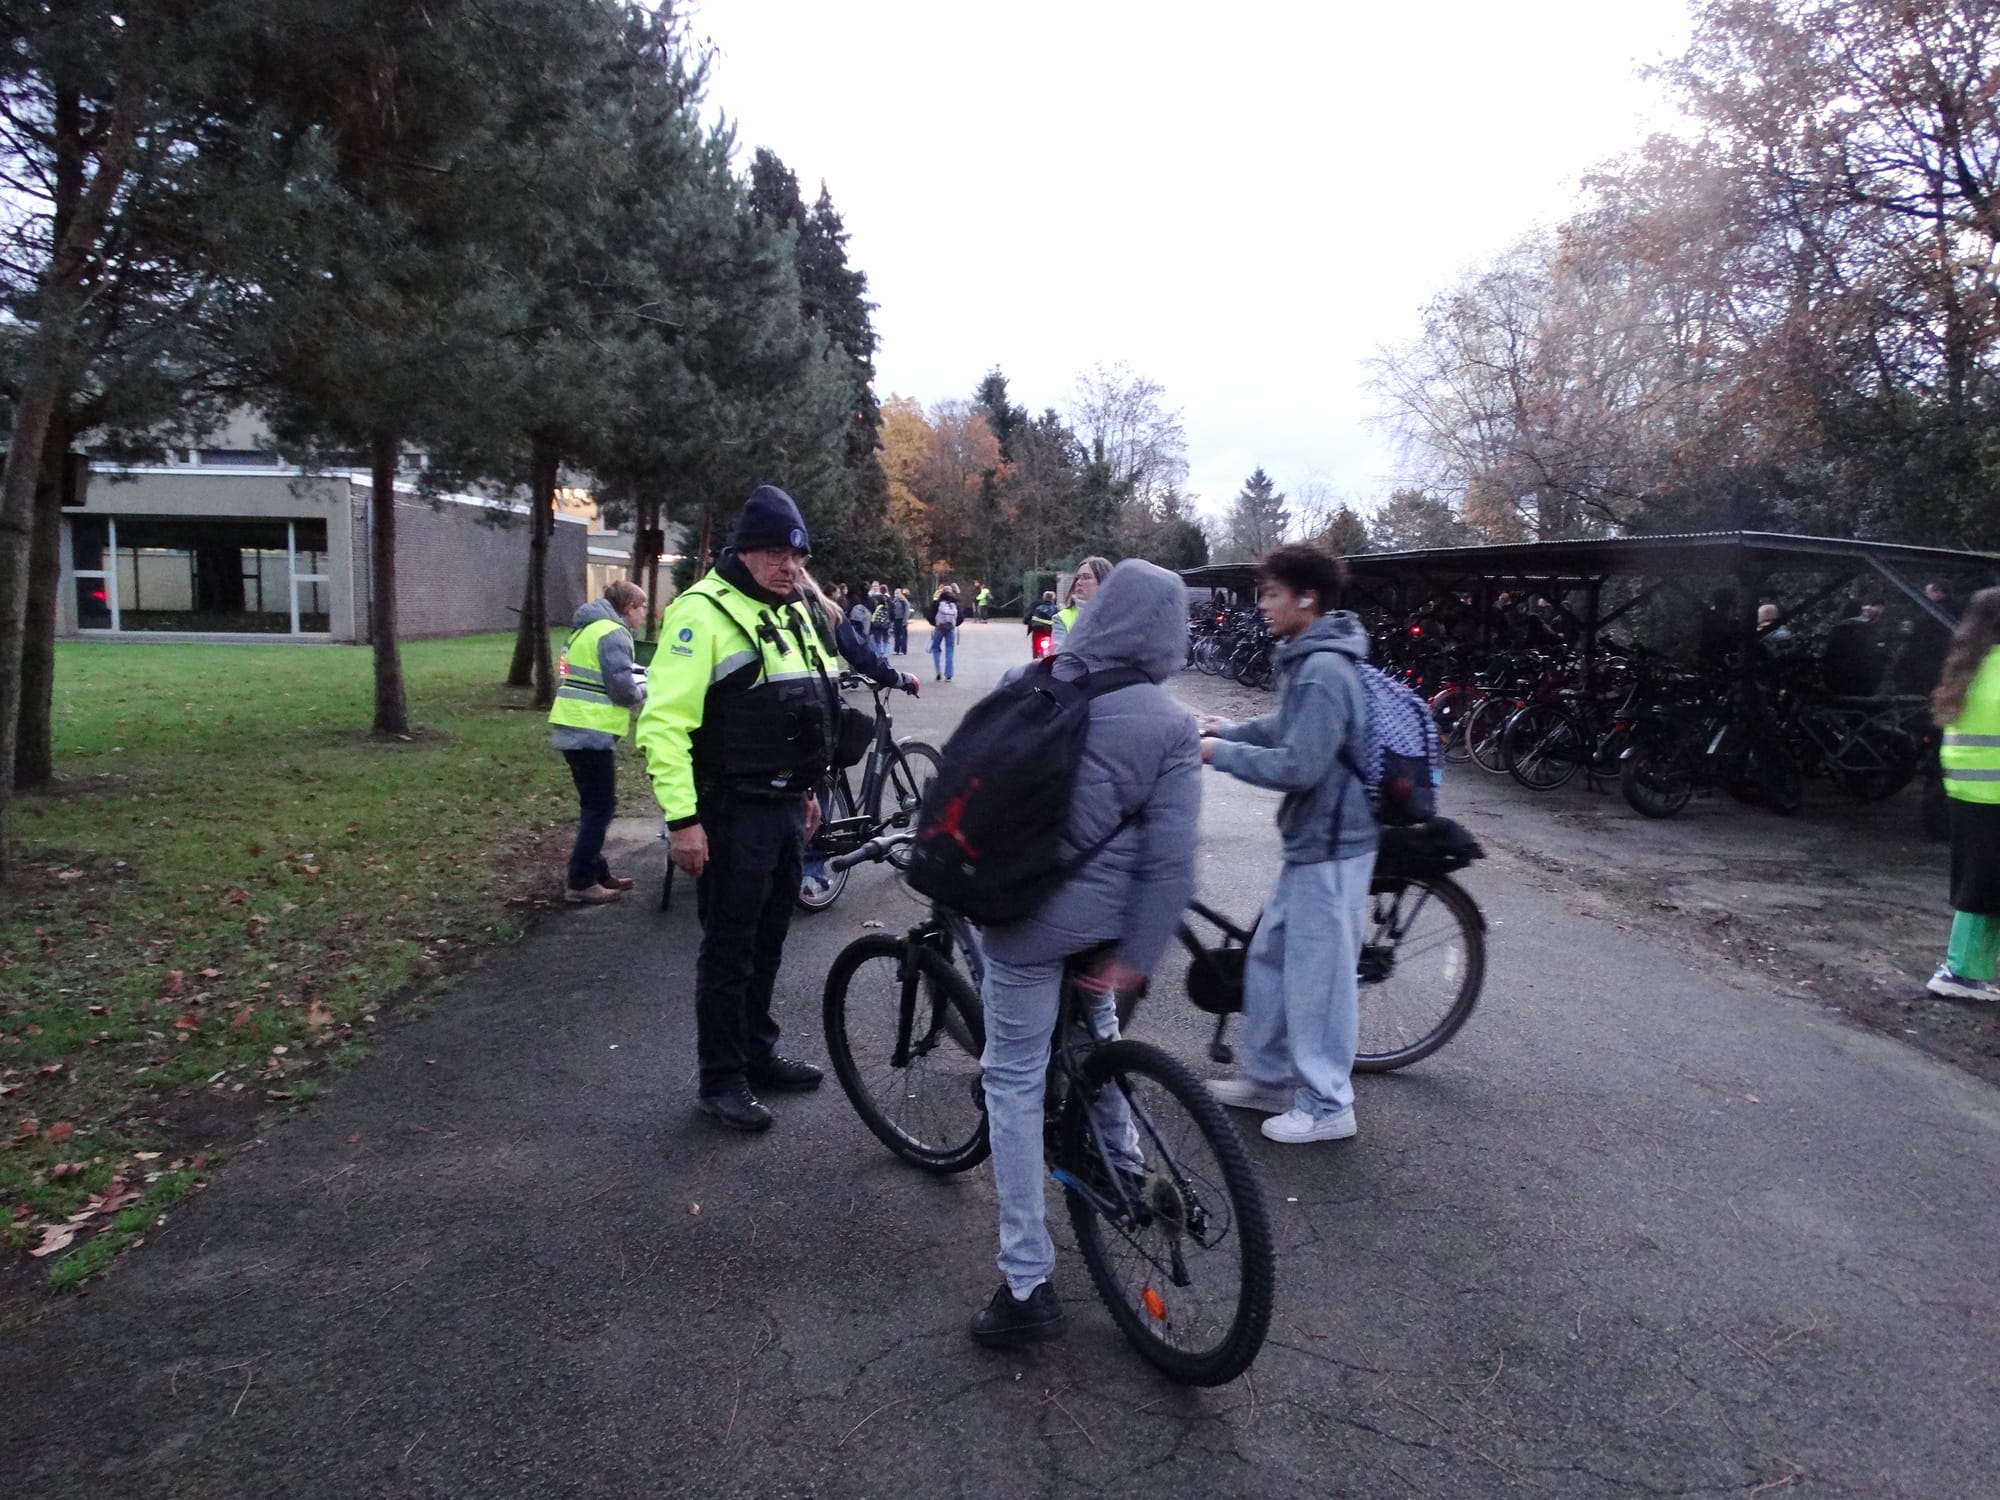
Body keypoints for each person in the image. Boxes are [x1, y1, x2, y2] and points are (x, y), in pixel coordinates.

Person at [969, 559, 1201, 1347]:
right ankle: (1126, 1172)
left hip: (1022, 921)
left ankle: (1026, 1282)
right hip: (1103, 933)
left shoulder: (1026, 683)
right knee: (1099, 1038)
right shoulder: (1171, 725)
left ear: (1098, 614)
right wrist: (1135, 957)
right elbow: (1170, 866)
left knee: (1012, 1082)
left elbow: (977, 786)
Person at [635, 485, 834, 1133]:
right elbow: (663, 725)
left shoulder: (790, 612)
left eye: (797, 556)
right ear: (744, 551)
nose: (789, 566)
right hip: (730, 812)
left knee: (769, 940)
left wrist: (805, 790)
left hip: (783, 809)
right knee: (729, 949)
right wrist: (682, 821)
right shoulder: (702, 614)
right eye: (775, 553)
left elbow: (795, 714)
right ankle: (720, 1078)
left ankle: (755, 1052)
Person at [1198, 543, 1378, 1144]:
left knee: (1318, 980)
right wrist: (1233, 730)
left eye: (1273, 593)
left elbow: (1300, 764)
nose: (1263, 604)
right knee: (1271, 960)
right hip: (1312, 840)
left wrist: (1221, 753)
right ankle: (1270, 1077)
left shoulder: (1324, 669)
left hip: (1333, 844)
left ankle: (1329, 1104)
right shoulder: (1311, 660)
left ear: (1308, 598)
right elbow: (1287, 728)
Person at [797, 571, 919, 901]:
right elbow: (862, 654)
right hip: (819, 710)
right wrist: (898, 678)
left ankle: (805, 867)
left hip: (790, 712)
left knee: (815, 776)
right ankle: (811, 870)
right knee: (818, 776)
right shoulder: (825, 610)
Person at [548, 580, 649, 904]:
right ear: (629, 608)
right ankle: (580, 882)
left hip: (573, 725)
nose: (643, 615)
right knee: (600, 808)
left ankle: (597, 872)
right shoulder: (613, 632)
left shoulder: (585, 629)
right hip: (589, 730)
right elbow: (622, 689)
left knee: (594, 805)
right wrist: (647, 688)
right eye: (642, 608)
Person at [1928, 587, 2000, 1001]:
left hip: (1969, 790)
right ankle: (1961, 973)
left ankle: (1965, 971)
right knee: (1983, 888)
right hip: (1994, 794)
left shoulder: (1968, 666)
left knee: (1980, 885)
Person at [1051, 555, 1112, 653]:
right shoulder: (1061, 618)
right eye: (1077, 578)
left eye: (1086, 577)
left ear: (1104, 582)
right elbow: (1060, 655)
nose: (1078, 582)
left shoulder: (1121, 615)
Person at [930, 584, 960, 681]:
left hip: (939, 627)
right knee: (949, 650)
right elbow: (961, 616)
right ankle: (948, 674)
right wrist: (955, 624)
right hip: (950, 628)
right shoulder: (955, 602)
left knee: (935, 648)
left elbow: (930, 612)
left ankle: (938, 671)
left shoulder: (938, 602)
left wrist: (934, 623)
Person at [1026, 590, 1058, 657]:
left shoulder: (1037, 608)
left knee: (1035, 646)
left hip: (1038, 630)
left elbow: (1027, 618)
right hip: (1050, 632)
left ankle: (1035, 658)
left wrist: (1028, 623)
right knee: (1054, 647)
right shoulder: (1056, 609)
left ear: (1044, 598)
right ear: (1053, 599)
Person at [867, 588, 892, 656]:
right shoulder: (886, 606)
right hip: (885, 626)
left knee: (878, 641)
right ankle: (885, 655)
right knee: (886, 640)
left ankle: (878, 655)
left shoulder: (877, 608)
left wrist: (872, 624)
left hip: (877, 626)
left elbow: (873, 617)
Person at [891, 587, 911, 655]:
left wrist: (905, 620)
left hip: (902, 620)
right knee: (896, 635)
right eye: (895, 593)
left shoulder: (904, 601)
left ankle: (903, 650)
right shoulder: (894, 601)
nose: (897, 595)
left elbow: (907, 610)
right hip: (896, 620)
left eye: (898, 593)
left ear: (901, 594)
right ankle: (896, 649)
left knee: (902, 636)